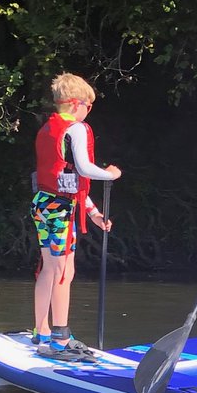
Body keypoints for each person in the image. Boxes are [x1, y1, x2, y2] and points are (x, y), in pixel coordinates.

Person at [32, 73, 121, 360]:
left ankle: (41, 330)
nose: (88, 112)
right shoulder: (77, 129)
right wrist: (109, 174)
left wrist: (93, 213)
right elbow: (83, 169)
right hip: (61, 210)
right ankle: (60, 339)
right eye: (88, 106)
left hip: (42, 204)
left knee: (48, 268)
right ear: (75, 104)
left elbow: (68, 180)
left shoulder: (48, 129)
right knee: (63, 272)